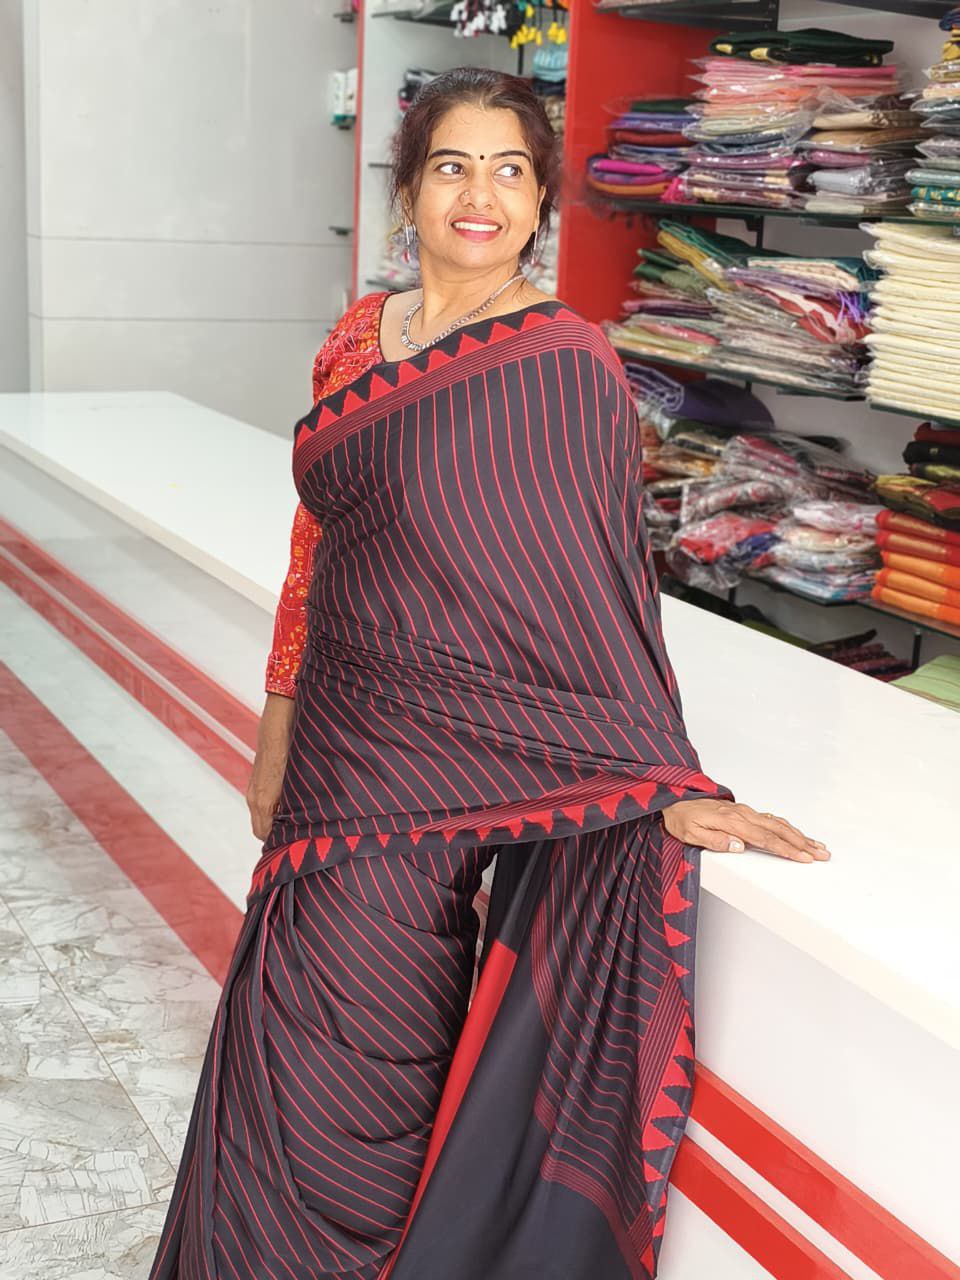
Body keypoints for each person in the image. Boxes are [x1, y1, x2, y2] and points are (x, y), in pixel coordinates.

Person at [149, 67, 830, 1280]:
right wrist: (276, 733)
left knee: (354, 1076)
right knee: (268, 1055)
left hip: (439, 783)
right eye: (453, 167)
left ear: (540, 203)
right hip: (334, 752)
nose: (481, 195)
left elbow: (594, 593)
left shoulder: (564, 365)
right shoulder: (359, 339)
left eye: (511, 171)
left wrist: (658, 778)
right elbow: (317, 554)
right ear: (409, 190)